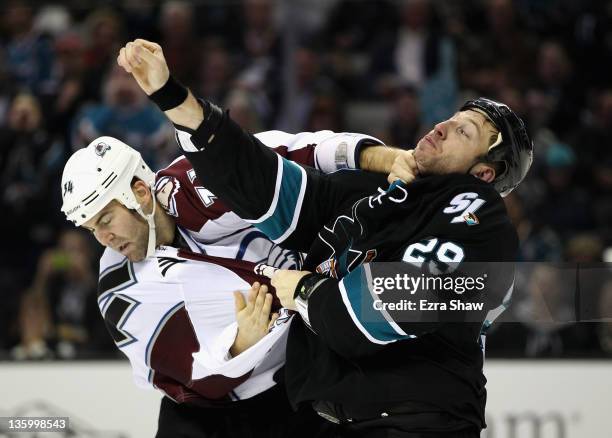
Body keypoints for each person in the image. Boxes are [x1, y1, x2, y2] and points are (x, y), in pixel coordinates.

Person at [117, 39, 533, 437]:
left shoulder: (476, 209)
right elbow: (262, 183)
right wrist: (173, 99)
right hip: (336, 423)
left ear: (484, 174)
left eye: (465, 133)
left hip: (419, 421)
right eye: (452, 119)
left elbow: (405, 300)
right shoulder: (372, 194)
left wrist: (307, 291)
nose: (443, 127)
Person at [60, 100, 396, 436]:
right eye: (92, 229)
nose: (104, 238)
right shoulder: (120, 291)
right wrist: (238, 347)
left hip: (303, 383)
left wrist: (383, 158)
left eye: (106, 219)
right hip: (209, 420)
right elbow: (184, 377)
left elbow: (298, 151)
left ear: (140, 193)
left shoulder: (200, 179)